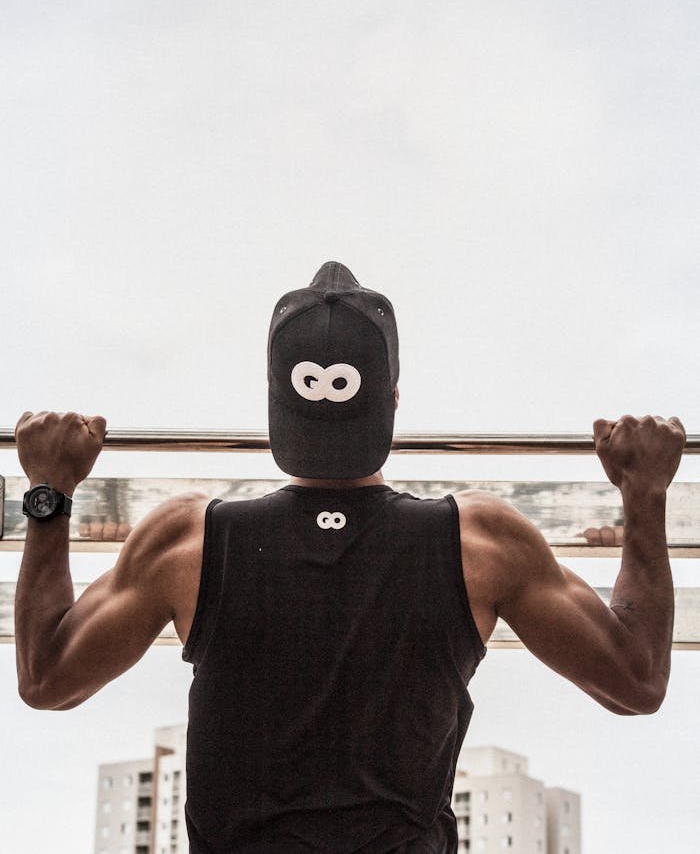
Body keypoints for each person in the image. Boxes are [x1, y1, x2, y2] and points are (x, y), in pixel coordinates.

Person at [14, 261, 686, 853]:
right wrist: (644, 495)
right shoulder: (481, 542)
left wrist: (49, 490)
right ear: (392, 400)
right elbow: (637, 681)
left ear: (276, 404)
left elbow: (47, 678)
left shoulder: (185, 540)